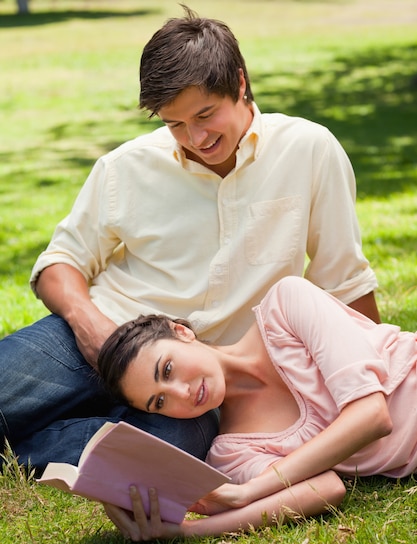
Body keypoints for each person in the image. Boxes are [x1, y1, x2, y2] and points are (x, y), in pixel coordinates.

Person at [1, 7, 379, 472]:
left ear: (239, 83)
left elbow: (344, 284)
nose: (195, 137)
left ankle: (27, 448)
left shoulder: (309, 150)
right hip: (105, 333)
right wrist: (91, 325)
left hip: (190, 385)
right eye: (174, 124)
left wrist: (375, 390)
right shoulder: (126, 167)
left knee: (169, 455)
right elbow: (60, 262)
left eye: (205, 114)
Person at [97, 276, 417, 540]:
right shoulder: (231, 453)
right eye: (161, 402)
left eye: (167, 370)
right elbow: (326, 490)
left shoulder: (286, 305)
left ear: (182, 332)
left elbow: (372, 415)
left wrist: (248, 492)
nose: (182, 392)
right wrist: (186, 531)